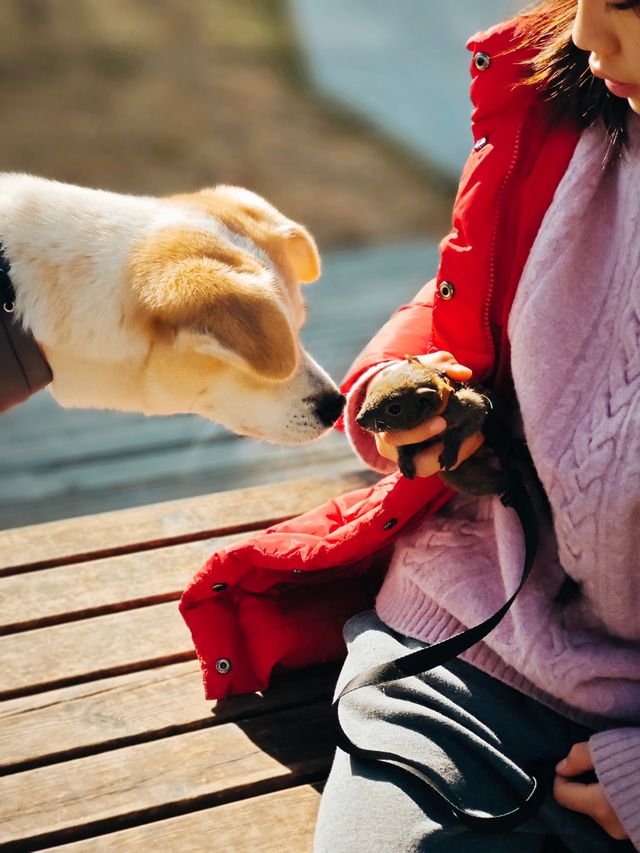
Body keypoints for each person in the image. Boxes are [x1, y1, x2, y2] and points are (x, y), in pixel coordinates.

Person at [179, 0, 639, 849]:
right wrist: (400, 384)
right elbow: (476, 294)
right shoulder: (565, 106)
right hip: (467, 652)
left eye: (628, 5)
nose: (583, 37)